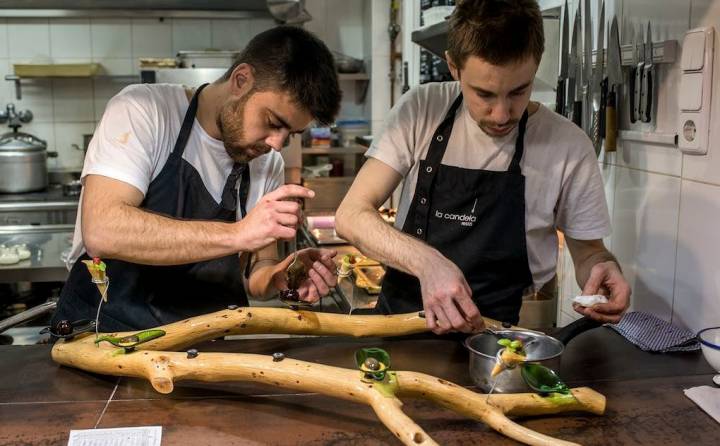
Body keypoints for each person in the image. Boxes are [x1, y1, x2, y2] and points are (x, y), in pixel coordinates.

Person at [336, 0, 630, 334]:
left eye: (519, 91)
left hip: (493, 344)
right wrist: (429, 264)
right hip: (396, 331)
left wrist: (604, 268)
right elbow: (351, 216)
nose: (503, 114)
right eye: (484, 94)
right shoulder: (422, 109)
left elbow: (589, 253)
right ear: (453, 66)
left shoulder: (569, 146)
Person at [52, 26, 342, 331]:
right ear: (241, 80)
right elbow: (103, 230)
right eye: (272, 122)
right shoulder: (144, 112)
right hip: (107, 336)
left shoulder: (267, 163)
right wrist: (237, 234)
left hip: (201, 346)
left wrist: (281, 276)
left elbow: (258, 271)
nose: (277, 143)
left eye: (291, 134)